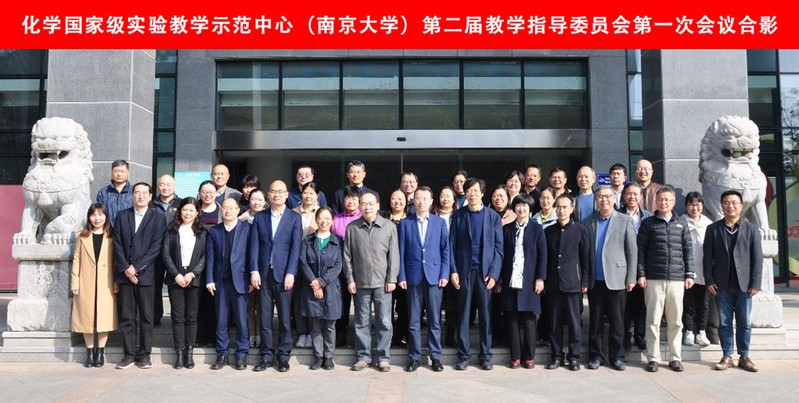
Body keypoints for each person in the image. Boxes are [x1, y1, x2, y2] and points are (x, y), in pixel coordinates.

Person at [637, 186, 695, 373]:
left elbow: (688, 250)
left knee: (676, 321)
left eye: (667, 200)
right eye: (660, 199)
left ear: (673, 202)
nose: (663, 203)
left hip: (677, 279)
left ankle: (675, 357)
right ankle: (653, 358)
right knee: (652, 321)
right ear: (656, 201)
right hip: (653, 279)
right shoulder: (648, 224)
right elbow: (641, 251)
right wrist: (641, 274)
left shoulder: (682, 224)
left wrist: (689, 274)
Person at [704, 190, 763, 373]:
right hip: (721, 285)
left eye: (734, 202)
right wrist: (709, 280)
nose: (730, 206)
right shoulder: (713, 229)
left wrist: (755, 283)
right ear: (722, 206)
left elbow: (757, 258)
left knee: (744, 322)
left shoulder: (751, 229)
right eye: (726, 203)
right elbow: (707, 258)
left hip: (745, 285)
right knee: (724, 322)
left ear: (741, 206)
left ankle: (744, 356)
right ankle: (727, 356)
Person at [450, 177, 503, 371]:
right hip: (464, 272)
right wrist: (453, 271)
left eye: (475, 191)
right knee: (463, 315)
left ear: (482, 193)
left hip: (485, 274)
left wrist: (494, 274)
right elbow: (451, 245)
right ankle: (463, 356)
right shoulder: (458, 216)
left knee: (486, 316)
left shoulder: (492, 217)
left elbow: (499, 249)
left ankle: (485, 355)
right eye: (468, 191)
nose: (472, 194)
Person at [250, 180, 303, 373]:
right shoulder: (260, 217)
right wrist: (254, 270)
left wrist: (291, 272)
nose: (277, 194)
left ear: (287, 195)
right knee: (264, 318)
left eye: (280, 191)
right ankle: (265, 356)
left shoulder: (294, 218)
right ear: (269, 195)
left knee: (284, 319)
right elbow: (254, 246)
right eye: (273, 191)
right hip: (264, 275)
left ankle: (283, 356)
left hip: (284, 275)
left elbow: (296, 248)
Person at [112, 182, 167, 370]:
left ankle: (144, 355)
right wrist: (126, 268)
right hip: (125, 275)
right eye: (137, 193)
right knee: (127, 316)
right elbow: (117, 244)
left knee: (146, 316)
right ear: (132, 195)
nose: (140, 196)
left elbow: (156, 248)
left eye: (144, 193)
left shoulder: (158, 218)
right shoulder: (122, 216)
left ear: (151, 196)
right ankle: (128, 354)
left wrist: (137, 268)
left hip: (146, 275)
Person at [344, 192, 400, 372]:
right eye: (364, 204)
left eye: (371, 203)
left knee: (384, 321)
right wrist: (350, 279)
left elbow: (394, 256)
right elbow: (347, 257)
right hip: (360, 283)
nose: (367, 207)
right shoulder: (352, 228)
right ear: (359, 206)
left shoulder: (388, 226)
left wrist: (392, 278)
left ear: (378, 205)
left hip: (383, 283)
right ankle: (363, 357)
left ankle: (383, 357)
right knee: (361, 321)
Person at [584, 186, 637, 372]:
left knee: (617, 321)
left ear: (614, 199)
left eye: (607, 196)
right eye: (600, 197)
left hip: (617, 279)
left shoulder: (624, 220)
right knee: (595, 322)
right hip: (595, 280)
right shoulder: (588, 221)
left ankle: (617, 357)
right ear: (596, 200)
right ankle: (596, 356)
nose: (604, 200)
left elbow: (632, 251)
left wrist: (631, 277)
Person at [398, 186, 450, 373]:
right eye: (418, 198)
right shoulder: (405, 223)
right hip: (413, 277)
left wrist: (444, 274)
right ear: (414, 201)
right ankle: (414, 357)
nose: (421, 202)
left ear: (431, 201)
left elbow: (446, 250)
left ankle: (435, 357)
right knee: (413, 321)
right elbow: (400, 252)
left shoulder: (439, 223)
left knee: (435, 320)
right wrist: (402, 275)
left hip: (434, 277)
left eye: (425, 198)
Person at [498, 194, 546, 369]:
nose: (521, 208)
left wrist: (540, 278)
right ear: (514, 208)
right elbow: (502, 255)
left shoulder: (537, 229)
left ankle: (529, 357)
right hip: (510, 279)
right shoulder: (507, 229)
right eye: (518, 205)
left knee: (529, 320)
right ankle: (515, 357)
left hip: (529, 280)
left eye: (525, 205)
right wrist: (500, 278)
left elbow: (543, 255)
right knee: (512, 319)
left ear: (530, 208)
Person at [544, 195, 590, 371]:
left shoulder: (580, 230)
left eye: (565, 207)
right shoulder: (549, 231)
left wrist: (584, 280)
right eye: (559, 207)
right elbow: (545, 258)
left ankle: (574, 357)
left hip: (573, 282)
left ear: (571, 209)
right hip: (553, 283)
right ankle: (556, 356)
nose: (561, 210)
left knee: (574, 323)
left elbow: (585, 258)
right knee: (555, 323)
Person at [205, 198, 251, 371]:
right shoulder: (215, 231)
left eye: (231, 208)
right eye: (224, 208)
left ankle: (241, 354)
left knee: (241, 320)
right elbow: (210, 257)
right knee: (221, 320)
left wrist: (252, 277)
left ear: (238, 210)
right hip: (221, 282)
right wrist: (209, 279)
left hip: (241, 281)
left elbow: (251, 255)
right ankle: (222, 353)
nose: (228, 211)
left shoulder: (247, 229)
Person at [161, 197, 206, 369]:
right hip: (176, 278)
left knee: (192, 317)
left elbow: (204, 256)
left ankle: (189, 352)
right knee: (177, 317)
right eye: (185, 210)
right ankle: (179, 353)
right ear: (179, 211)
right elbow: (166, 254)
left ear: (197, 212)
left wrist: (193, 274)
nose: (188, 213)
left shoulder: (202, 231)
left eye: (191, 210)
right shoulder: (171, 230)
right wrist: (176, 274)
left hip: (194, 278)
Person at [71, 203, 118, 368]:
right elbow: (76, 260)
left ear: (106, 216)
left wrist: (116, 281)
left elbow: (116, 262)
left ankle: (100, 352)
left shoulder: (111, 236)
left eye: (100, 215)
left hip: (106, 283)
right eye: (93, 215)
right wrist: (75, 282)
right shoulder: (82, 236)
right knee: (87, 317)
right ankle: (90, 352)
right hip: (86, 282)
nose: (97, 218)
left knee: (104, 317)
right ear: (89, 217)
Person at [299, 207, 342, 370]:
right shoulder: (307, 241)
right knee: (315, 325)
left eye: (327, 218)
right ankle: (318, 356)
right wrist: (314, 282)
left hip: (331, 288)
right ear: (316, 220)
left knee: (330, 325)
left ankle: (328, 356)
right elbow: (303, 262)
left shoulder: (337, 242)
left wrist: (321, 282)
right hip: (311, 287)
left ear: (332, 221)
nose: (324, 221)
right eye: (321, 218)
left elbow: (338, 266)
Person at [619, 182, 653, 350]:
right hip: (622, 264)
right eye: (629, 194)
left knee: (641, 304)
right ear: (624, 196)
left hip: (642, 265)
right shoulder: (616, 215)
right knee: (624, 305)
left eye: (635, 194)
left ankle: (640, 335)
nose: (632, 197)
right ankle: (625, 335)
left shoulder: (648, 217)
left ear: (641, 197)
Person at [681, 192, 713, 347]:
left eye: (698, 204)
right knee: (687, 303)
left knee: (703, 303)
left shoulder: (709, 224)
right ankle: (688, 331)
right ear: (686, 206)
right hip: (685, 270)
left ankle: (701, 332)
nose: (695, 208)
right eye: (691, 204)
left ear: (702, 206)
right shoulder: (681, 222)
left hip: (704, 269)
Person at [331, 187, 362, 347]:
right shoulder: (336, 220)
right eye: (348, 198)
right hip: (340, 269)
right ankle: (341, 334)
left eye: (354, 198)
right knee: (342, 303)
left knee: (361, 305)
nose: (351, 201)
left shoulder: (364, 218)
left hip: (360, 269)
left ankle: (360, 338)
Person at [293, 182, 321, 349]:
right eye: (305, 193)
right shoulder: (293, 212)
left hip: (314, 263)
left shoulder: (321, 213)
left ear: (317, 195)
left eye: (311, 193)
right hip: (295, 262)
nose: (308, 196)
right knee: (297, 300)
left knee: (312, 298)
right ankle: (302, 332)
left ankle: (312, 333)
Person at [151, 174, 182, 328]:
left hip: (175, 250)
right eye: (162, 184)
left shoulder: (181, 204)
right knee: (155, 284)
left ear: (174, 187)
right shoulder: (152, 204)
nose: (165, 187)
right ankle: (155, 317)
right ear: (158, 186)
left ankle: (176, 318)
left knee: (175, 285)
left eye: (168, 185)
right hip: (156, 251)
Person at [238, 187, 267, 349]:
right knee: (250, 304)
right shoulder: (241, 220)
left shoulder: (269, 218)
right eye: (253, 199)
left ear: (265, 202)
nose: (256, 202)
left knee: (263, 305)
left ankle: (261, 335)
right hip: (246, 267)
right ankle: (251, 334)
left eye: (259, 199)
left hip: (264, 267)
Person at [381, 188, 408, 348]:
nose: (397, 202)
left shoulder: (411, 219)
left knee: (404, 306)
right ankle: (388, 337)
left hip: (405, 269)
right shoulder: (382, 219)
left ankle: (400, 335)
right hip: (385, 269)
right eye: (393, 198)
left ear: (406, 202)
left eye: (400, 199)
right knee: (387, 307)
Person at [196, 179, 221, 347]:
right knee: (198, 302)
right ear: (199, 193)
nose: (207, 195)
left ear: (216, 193)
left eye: (211, 192)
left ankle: (213, 337)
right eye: (204, 192)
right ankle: (200, 337)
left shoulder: (222, 210)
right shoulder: (194, 209)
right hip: (195, 262)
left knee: (213, 302)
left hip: (216, 262)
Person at [434, 185, 458, 347]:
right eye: (442, 195)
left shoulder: (459, 216)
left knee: (452, 303)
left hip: (454, 264)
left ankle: (450, 334)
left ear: (454, 199)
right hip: (436, 263)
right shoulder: (432, 215)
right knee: (435, 302)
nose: (445, 198)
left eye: (449, 196)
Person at [95, 159, 132, 224]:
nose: (119, 174)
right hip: (108, 229)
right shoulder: (103, 192)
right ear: (112, 172)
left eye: (122, 171)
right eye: (116, 171)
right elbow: (99, 213)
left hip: (129, 229)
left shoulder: (134, 191)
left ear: (128, 173)